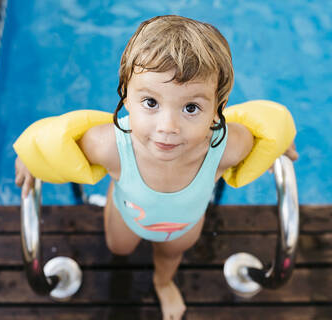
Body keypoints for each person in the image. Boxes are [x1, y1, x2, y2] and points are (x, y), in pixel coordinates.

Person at [15, 15, 298, 320]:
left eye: (191, 108)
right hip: (127, 213)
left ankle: (163, 284)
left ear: (219, 106)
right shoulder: (110, 145)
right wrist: (30, 159)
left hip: (183, 224)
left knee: (171, 255)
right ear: (125, 94)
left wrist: (278, 146)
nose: (168, 127)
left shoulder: (226, 147)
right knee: (118, 247)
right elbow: (50, 144)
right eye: (150, 102)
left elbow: (264, 136)